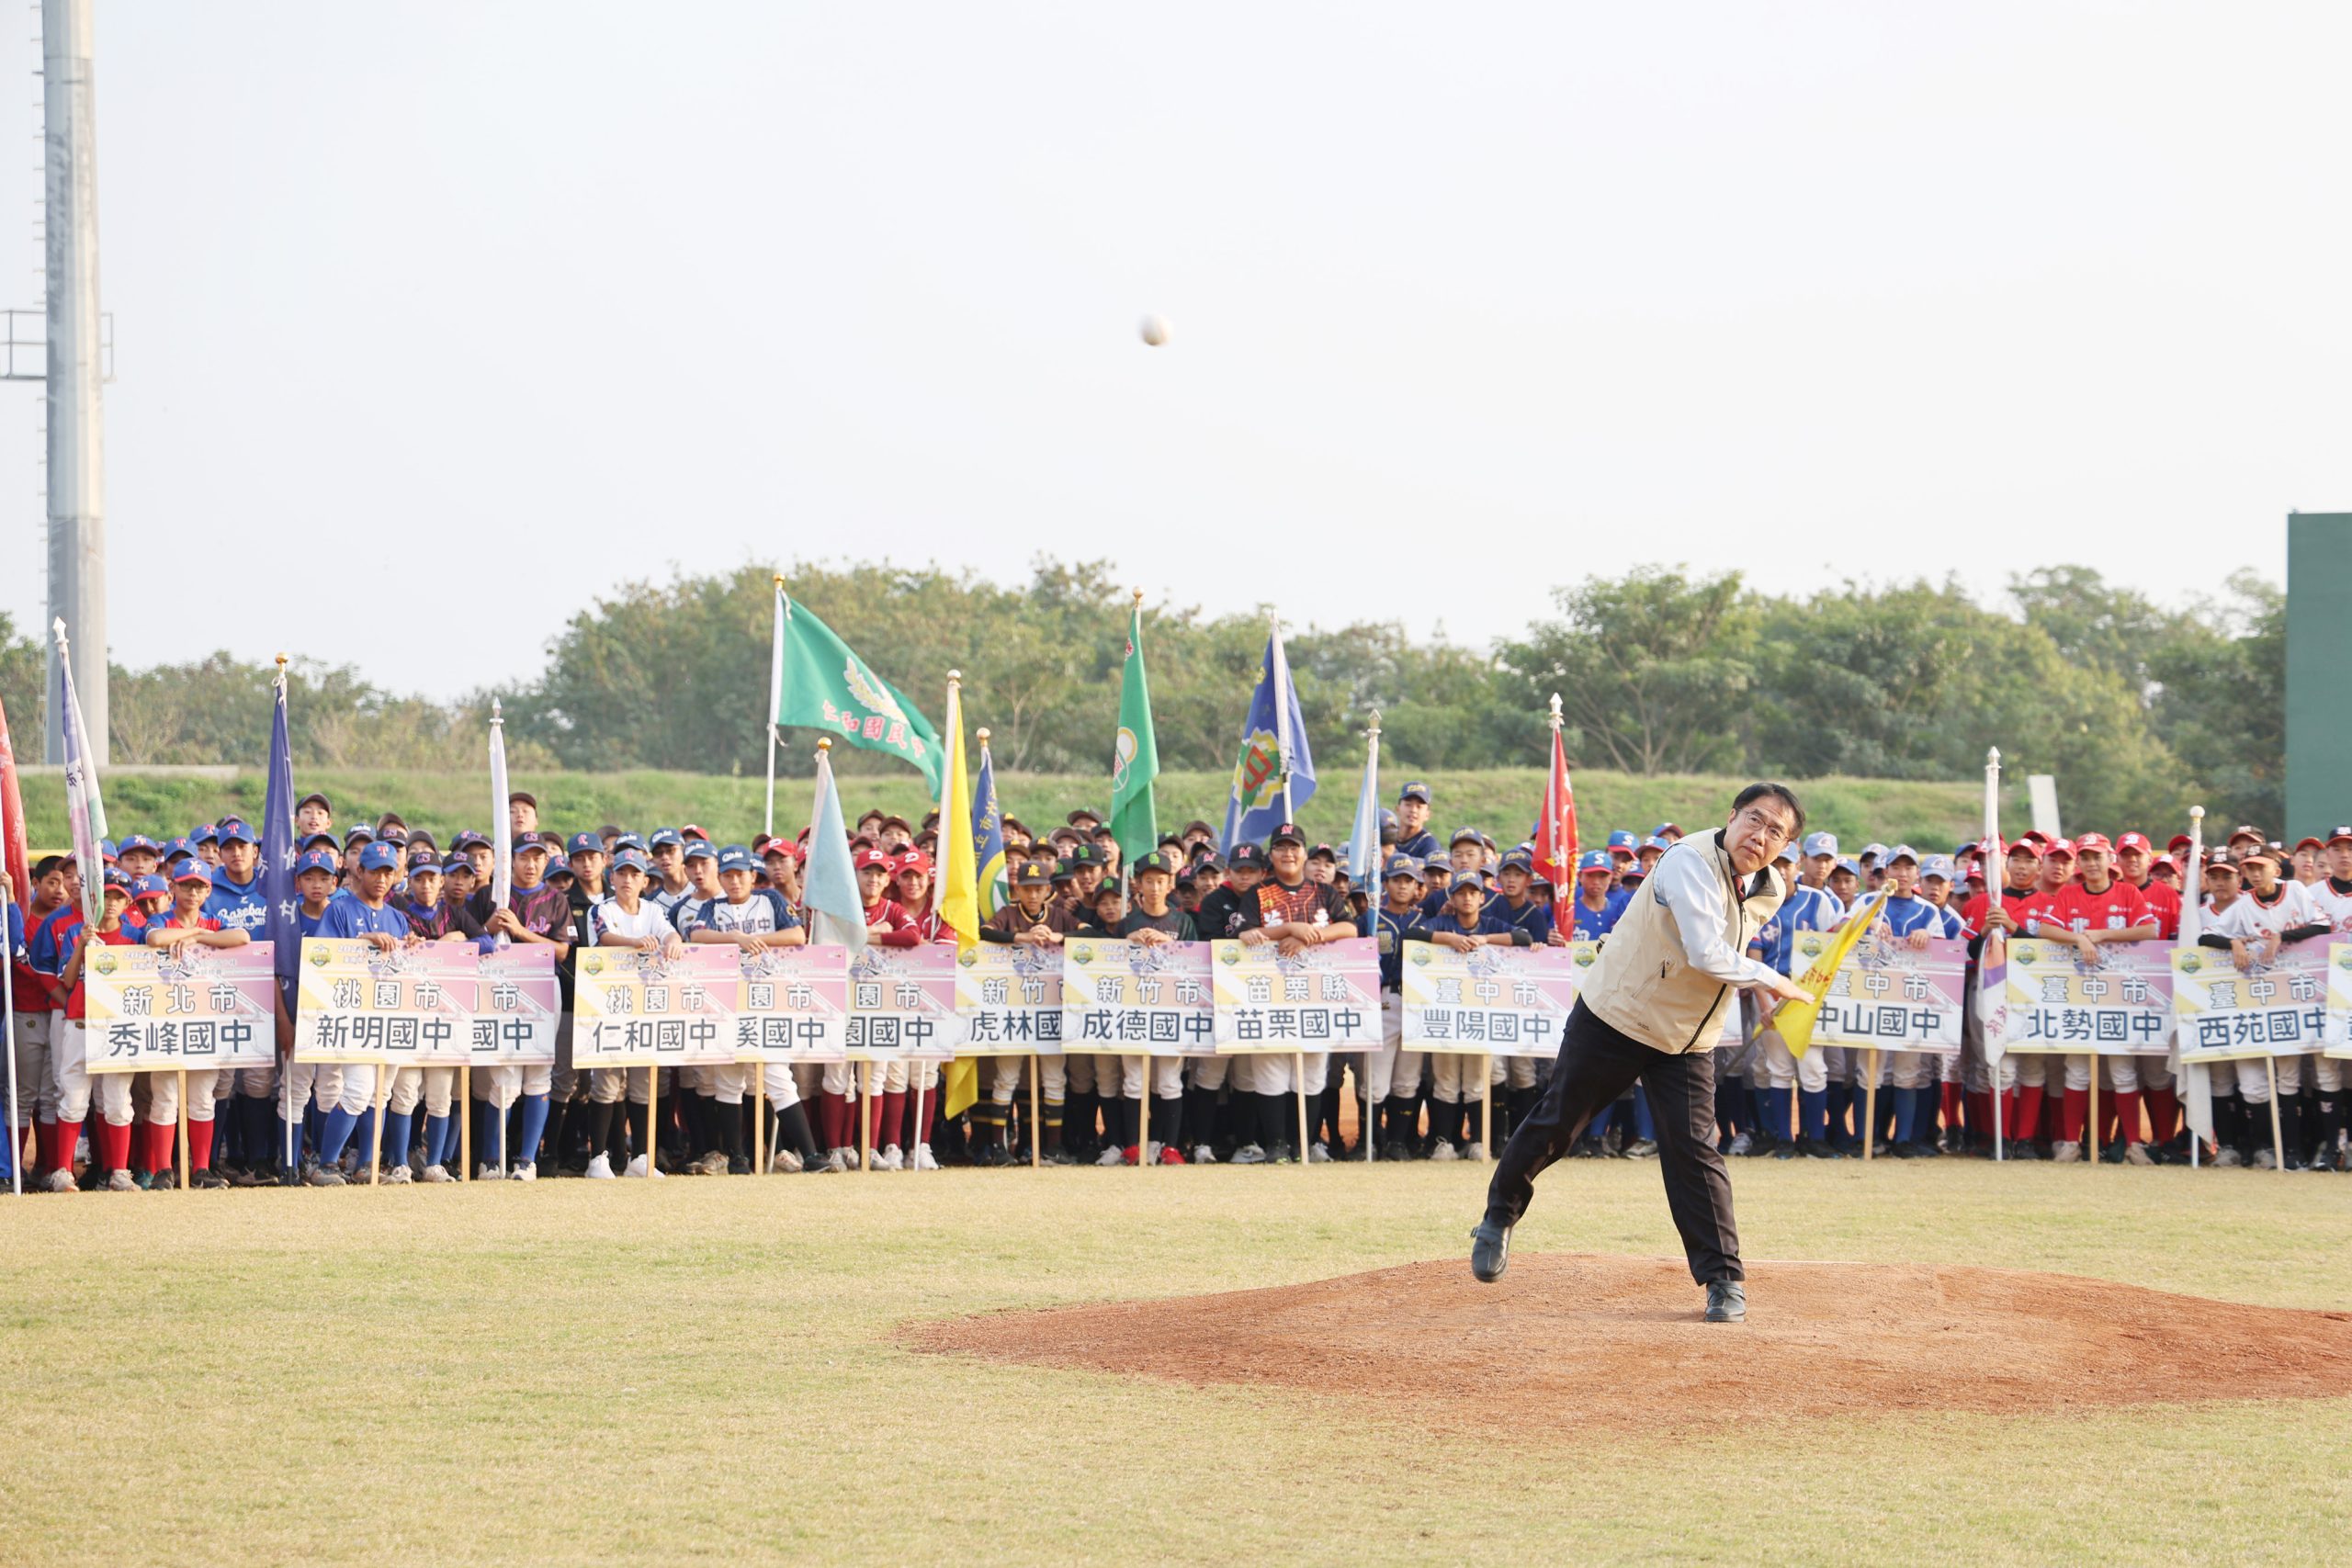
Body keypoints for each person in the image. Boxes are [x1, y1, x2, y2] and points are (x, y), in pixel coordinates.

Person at [1474, 784, 1810, 1325]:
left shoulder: (1772, 887)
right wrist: (1774, 981)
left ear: (1785, 846)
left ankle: (1724, 1280)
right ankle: (1497, 1218)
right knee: (1560, 1120)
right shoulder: (1687, 861)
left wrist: (1762, 987)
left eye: (1777, 831)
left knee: (1695, 1152)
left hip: (1687, 1037)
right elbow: (1705, 951)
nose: (1761, 835)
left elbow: (1729, 946)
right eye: (1755, 819)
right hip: (1618, 1015)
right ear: (1732, 816)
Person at [2016, 833, 2157, 1163]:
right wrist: (2079, 938)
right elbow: (2046, 930)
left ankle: (2134, 1143)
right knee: (2076, 1069)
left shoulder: (2128, 892)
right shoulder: (2069, 894)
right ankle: (2069, 1142)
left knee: (2122, 1069)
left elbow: (2149, 930)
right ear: (2079, 863)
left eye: (2099, 857)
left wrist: (2104, 934)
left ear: (2111, 860)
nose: (2093, 863)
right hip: (2078, 996)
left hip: (2120, 997)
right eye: (2087, 857)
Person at [1410, 869, 1538, 1160]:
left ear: (1482, 897)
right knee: (1446, 1079)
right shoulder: (1443, 922)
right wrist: (1447, 939)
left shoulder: (1491, 923)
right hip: (1445, 1015)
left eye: (1472, 893)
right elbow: (1412, 933)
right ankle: (1445, 1142)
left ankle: (1479, 1141)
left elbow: (1524, 936)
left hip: (1480, 1017)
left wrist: (1486, 939)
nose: (1467, 898)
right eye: (1461, 893)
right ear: (1452, 898)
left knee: (1477, 1080)